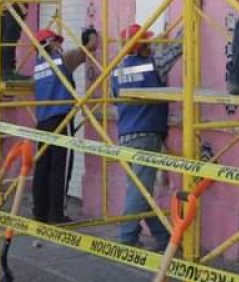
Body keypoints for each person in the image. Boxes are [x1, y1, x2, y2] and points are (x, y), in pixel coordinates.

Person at [111, 23, 182, 250]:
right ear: (141, 46)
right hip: (146, 134)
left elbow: (116, 101)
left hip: (125, 134)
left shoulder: (116, 70)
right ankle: (127, 239)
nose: (151, 45)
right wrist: (188, 20)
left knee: (142, 191)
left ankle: (164, 239)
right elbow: (177, 49)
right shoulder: (153, 64)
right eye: (148, 42)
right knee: (139, 192)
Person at [32, 27, 98, 223]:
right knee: (60, 168)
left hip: (42, 122)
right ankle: (57, 214)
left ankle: (40, 211)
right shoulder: (63, 60)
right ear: (49, 43)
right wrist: (91, 38)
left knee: (42, 168)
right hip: (60, 119)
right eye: (57, 42)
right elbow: (89, 49)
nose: (60, 45)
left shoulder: (37, 66)